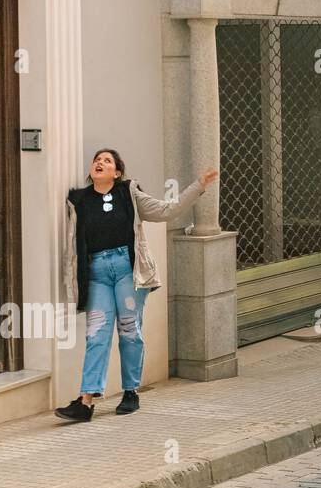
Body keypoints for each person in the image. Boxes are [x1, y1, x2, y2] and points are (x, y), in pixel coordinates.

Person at [54, 149, 218, 422]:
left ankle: (130, 391)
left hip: (128, 272)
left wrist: (198, 186)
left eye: (107, 161)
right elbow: (72, 247)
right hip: (96, 274)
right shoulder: (79, 201)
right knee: (96, 335)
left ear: (117, 172)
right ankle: (86, 401)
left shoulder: (127, 193)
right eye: (97, 159)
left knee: (129, 330)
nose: (100, 162)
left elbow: (167, 210)